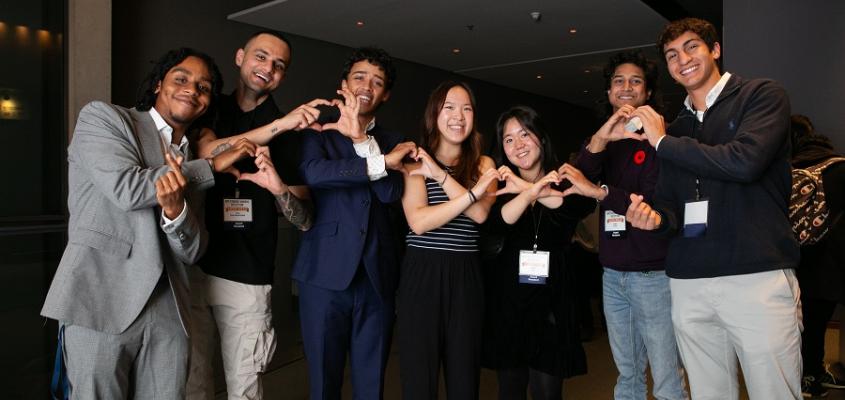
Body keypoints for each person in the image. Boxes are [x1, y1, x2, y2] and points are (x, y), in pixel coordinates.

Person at [40, 48, 254, 399]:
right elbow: (126, 187)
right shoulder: (105, 119)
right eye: (182, 79)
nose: (193, 90)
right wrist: (211, 167)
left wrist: (176, 215)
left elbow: (193, 249)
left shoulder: (190, 155)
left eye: (204, 87)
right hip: (101, 298)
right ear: (158, 85)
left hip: (169, 309)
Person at [625, 18, 802, 399]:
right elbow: (672, 207)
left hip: (756, 276)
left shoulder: (761, 96)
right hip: (689, 283)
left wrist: (662, 142)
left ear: (715, 49)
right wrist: (654, 220)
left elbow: (744, 162)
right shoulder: (674, 130)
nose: (682, 60)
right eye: (672, 55)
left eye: (692, 47)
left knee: (774, 393)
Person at [185, 31, 323, 400]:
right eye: (261, 57)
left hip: (247, 278)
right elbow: (204, 153)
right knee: (192, 384)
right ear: (240, 56)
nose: (268, 69)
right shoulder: (210, 108)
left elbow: (304, 219)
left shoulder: (292, 133)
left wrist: (277, 187)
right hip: (194, 268)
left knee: (244, 389)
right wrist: (276, 128)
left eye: (279, 65)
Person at [562, 51, 688, 400]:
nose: (626, 87)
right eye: (619, 81)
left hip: (654, 277)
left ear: (648, 92)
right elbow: (576, 183)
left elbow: (647, 200)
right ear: (609, 91)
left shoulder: (662, 139)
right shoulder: (606, 141)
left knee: (666, 379)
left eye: (636, 81)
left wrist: (599, 192)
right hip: (613, 276)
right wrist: (603, 136)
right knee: (627, 375)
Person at [294, 47, 417, 399]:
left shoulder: (394, 141)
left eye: (377, 82)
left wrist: (364, 143)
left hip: (377, 277)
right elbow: (315, 174)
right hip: (323, 275)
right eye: (359, 77)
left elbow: (390, 192)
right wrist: (377, 164)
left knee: (371, 381)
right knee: (323, 380)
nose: (367, 86)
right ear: (343, 84)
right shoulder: (319, 129)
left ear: (385, 94)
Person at [481, 105, 594, 400]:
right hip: (509, 302)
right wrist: (525, 190)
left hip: (552, 303)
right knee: (510, 391)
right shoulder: (497, 186)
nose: (518, 145)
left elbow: (574, 207)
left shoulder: (566, 179)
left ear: (540, 138)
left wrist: (530, 187)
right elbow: (499, 222)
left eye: (524, 134)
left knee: (548, 393)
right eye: (508, 140)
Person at [399, 81, 499, 400]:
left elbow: (482, 214)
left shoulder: (484, 164)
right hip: (421, 272)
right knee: (419, 376)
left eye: (466, 108)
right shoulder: (414, 163)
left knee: (464, 376)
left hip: (466, 273)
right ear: (434, 115)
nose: (458, 116)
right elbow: (419, 222)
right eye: (449, 107)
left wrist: (441, 177)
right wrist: (469, 194)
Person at [789, 115, 845, 398]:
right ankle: (813, 373)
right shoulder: (840, 168)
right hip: (831, 263)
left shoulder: (785, 169)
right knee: (818, 323)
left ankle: (799, 375)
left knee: (795, 324)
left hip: (792, 260)